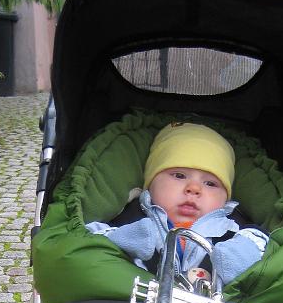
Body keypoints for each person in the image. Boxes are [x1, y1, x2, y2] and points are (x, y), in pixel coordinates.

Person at [85, 122, 270, 287]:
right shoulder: (131, 215)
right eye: (179, 176)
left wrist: (244, 251)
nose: (194, 188)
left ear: (225, 199)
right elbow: (87, 239)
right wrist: (122, 238)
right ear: (150, 184)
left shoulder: (233, 229)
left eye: (210, 183)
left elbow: (265, 245)